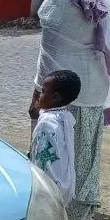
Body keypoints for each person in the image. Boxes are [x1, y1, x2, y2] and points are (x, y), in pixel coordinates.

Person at [28, 0, 110, 220]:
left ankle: (60, 212)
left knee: (60, 153)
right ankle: (83, 211)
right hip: (93, 88)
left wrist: (36, 97)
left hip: (64, 93)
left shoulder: (54, 7)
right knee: (86, 153)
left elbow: (47, 60)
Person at [29, 69, 79, 205]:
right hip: (63, 183)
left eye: (43, 91)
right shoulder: (65, 117)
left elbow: (43, 161)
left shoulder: (47, 124)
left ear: (55, 97)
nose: (40, 96)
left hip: (47, 189)